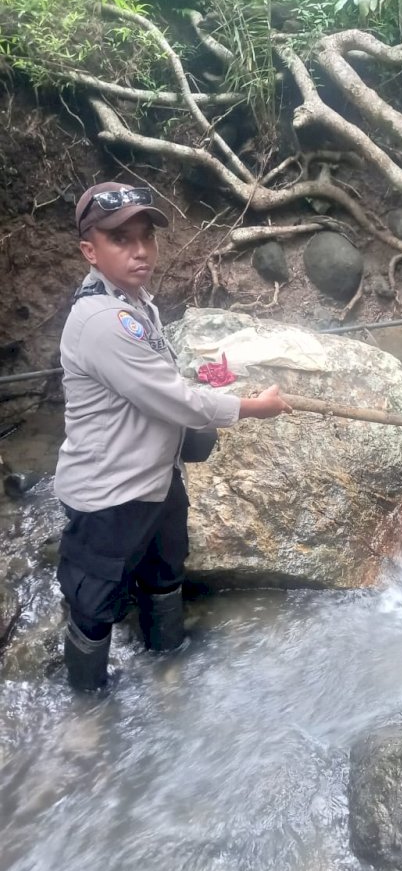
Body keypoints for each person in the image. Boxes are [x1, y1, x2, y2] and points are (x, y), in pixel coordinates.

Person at [55, 181, 291, 692]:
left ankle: (169, 671)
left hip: (158, 480)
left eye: (146, 236)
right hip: (109, 493)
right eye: (121, 239)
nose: (140, 250)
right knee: (92, 604)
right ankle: (87, 712)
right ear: (89, 251)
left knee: (165, 574)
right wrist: (254, 407)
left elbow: (162, 385)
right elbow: (175, 401)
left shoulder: (136, 302)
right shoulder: (102, 318)